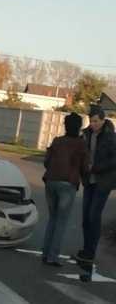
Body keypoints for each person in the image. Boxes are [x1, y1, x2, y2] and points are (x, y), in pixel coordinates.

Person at [42, 112, 89, 267]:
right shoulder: (81, 144)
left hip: (51, 181)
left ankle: (45, 253)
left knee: (52, 218)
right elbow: (84, 167)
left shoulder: (57, 141)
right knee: (61, 221)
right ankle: (52, 257)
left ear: (65, 125)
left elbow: (46, 161)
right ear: (79, 127)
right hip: (68, 183)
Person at [74, 106, 116, 263]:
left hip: (102, 182)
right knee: (86, 217)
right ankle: (86, 249)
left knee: (94, 215)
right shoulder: (86, 134)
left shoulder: (110, 137)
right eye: (91, 121)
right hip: (88, 180)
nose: (93, 124)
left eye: (96, 121)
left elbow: (114, 161)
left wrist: (96, 167)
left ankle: (90, 251)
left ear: (103, 120)